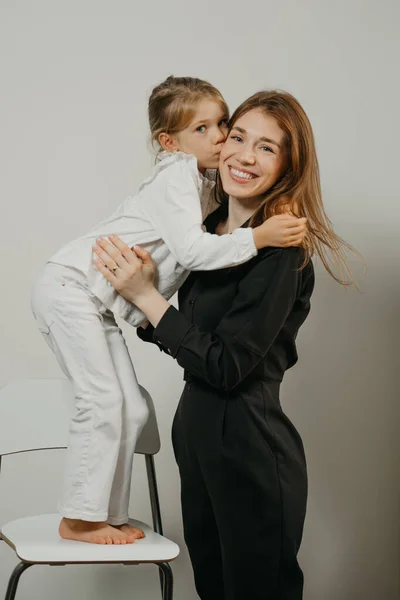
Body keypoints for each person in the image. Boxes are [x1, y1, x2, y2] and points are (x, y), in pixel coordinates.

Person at [92, 89, 355, 598]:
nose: (244, 155)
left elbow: (228, 366)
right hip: (195, 438)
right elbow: (191, 339)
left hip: (248, 444)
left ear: (288, 166)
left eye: (267, 147)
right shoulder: (205, 234)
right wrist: (148, 295)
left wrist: (148, 300)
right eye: (238, 137)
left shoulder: (280, 251)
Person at [30, 77, 306, 546]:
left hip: (240, 439)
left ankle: (103, 514)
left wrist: (145, 298)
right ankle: (79, 516)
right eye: (223, 132)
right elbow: (191, 260)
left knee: (132, 409)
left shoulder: (226, 214)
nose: (224, 141)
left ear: (286, 164)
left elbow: (217, 355)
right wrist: (255, 238)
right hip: (70, 289)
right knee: (101, 401)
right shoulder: (181, 181)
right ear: (169, 142)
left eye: (225, 125)